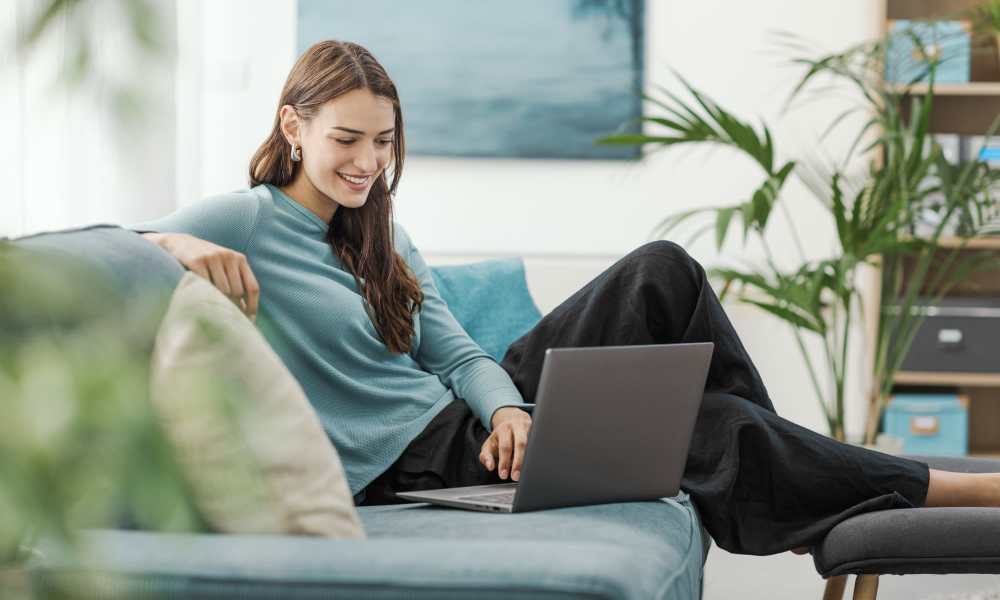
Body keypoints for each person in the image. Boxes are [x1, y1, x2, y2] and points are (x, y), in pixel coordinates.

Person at [134, 40, 1000, 557]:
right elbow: (77, 249)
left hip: (475, 427)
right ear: (293, 128)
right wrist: (171, 242)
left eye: (384, 142)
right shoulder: (239, 220)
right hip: (419, 467)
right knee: (708, 429)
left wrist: (509, 410)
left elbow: (457, 355)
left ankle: (787, 474)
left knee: (662, 268)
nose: (367, 162)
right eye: (345, 140)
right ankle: (952, 488)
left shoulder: (380, 233)